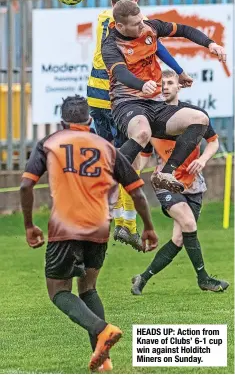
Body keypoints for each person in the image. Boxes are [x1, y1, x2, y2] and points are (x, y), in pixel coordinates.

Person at [20, 95, 158, 372]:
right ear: (91, 120)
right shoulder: (106, 147)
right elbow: (137, 193)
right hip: (99, 228)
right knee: (88, 288)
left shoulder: (49, 143)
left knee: (58, 291)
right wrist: (149, 227)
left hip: (65, 228)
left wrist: (28, 225)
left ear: (62, 121)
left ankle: (102, 330)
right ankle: (103, 359)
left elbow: (25, 187)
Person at [88, 0, 193, 249]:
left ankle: (113, 219)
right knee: (130, 157)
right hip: (119, 95)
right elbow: (157, 46)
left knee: (114, 155)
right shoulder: (138, 20)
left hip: (94, 93)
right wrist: (179, 69)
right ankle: (127, 224)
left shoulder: (103, 17)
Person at [101, 0, 226, 194]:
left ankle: (166, 173)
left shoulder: (150, 27)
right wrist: (141, 84)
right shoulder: (111, 45)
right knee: (143, 133)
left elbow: (184, 30)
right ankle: (106, 179)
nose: (142, 26)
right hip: (126, 104)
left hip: (156, 104)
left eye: (141, 21)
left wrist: (211, 44)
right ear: (120, 26)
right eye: (136, 24)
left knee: (200, 119)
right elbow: (121, 74)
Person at [131, 70, 229, 295]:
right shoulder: (151, 120)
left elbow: (213, 142)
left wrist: (203, 160)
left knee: (178, 239)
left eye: (169, 82)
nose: (165, 86)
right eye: (161, 83)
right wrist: (131, 174)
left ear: (178, 86)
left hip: (193, 183)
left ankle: (142, 279)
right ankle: (204, 279)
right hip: (165, 182)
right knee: (188, 222)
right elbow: (144, 155)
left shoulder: (192, 115)